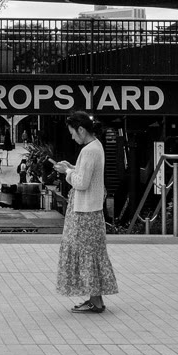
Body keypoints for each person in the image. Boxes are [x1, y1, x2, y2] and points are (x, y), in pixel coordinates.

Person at [49, 112, 117, 313]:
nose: (72, 137)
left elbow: (82, 183)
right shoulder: (97, 146)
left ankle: (95, 302)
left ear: (81, 129)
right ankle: (96, 300)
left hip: (84, 211)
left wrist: (67, 172)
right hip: (92, 210)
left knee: (85, 253)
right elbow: (88, 176)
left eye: (73, 132)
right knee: (92, 254)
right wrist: (72, 167)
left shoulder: (88, 151)